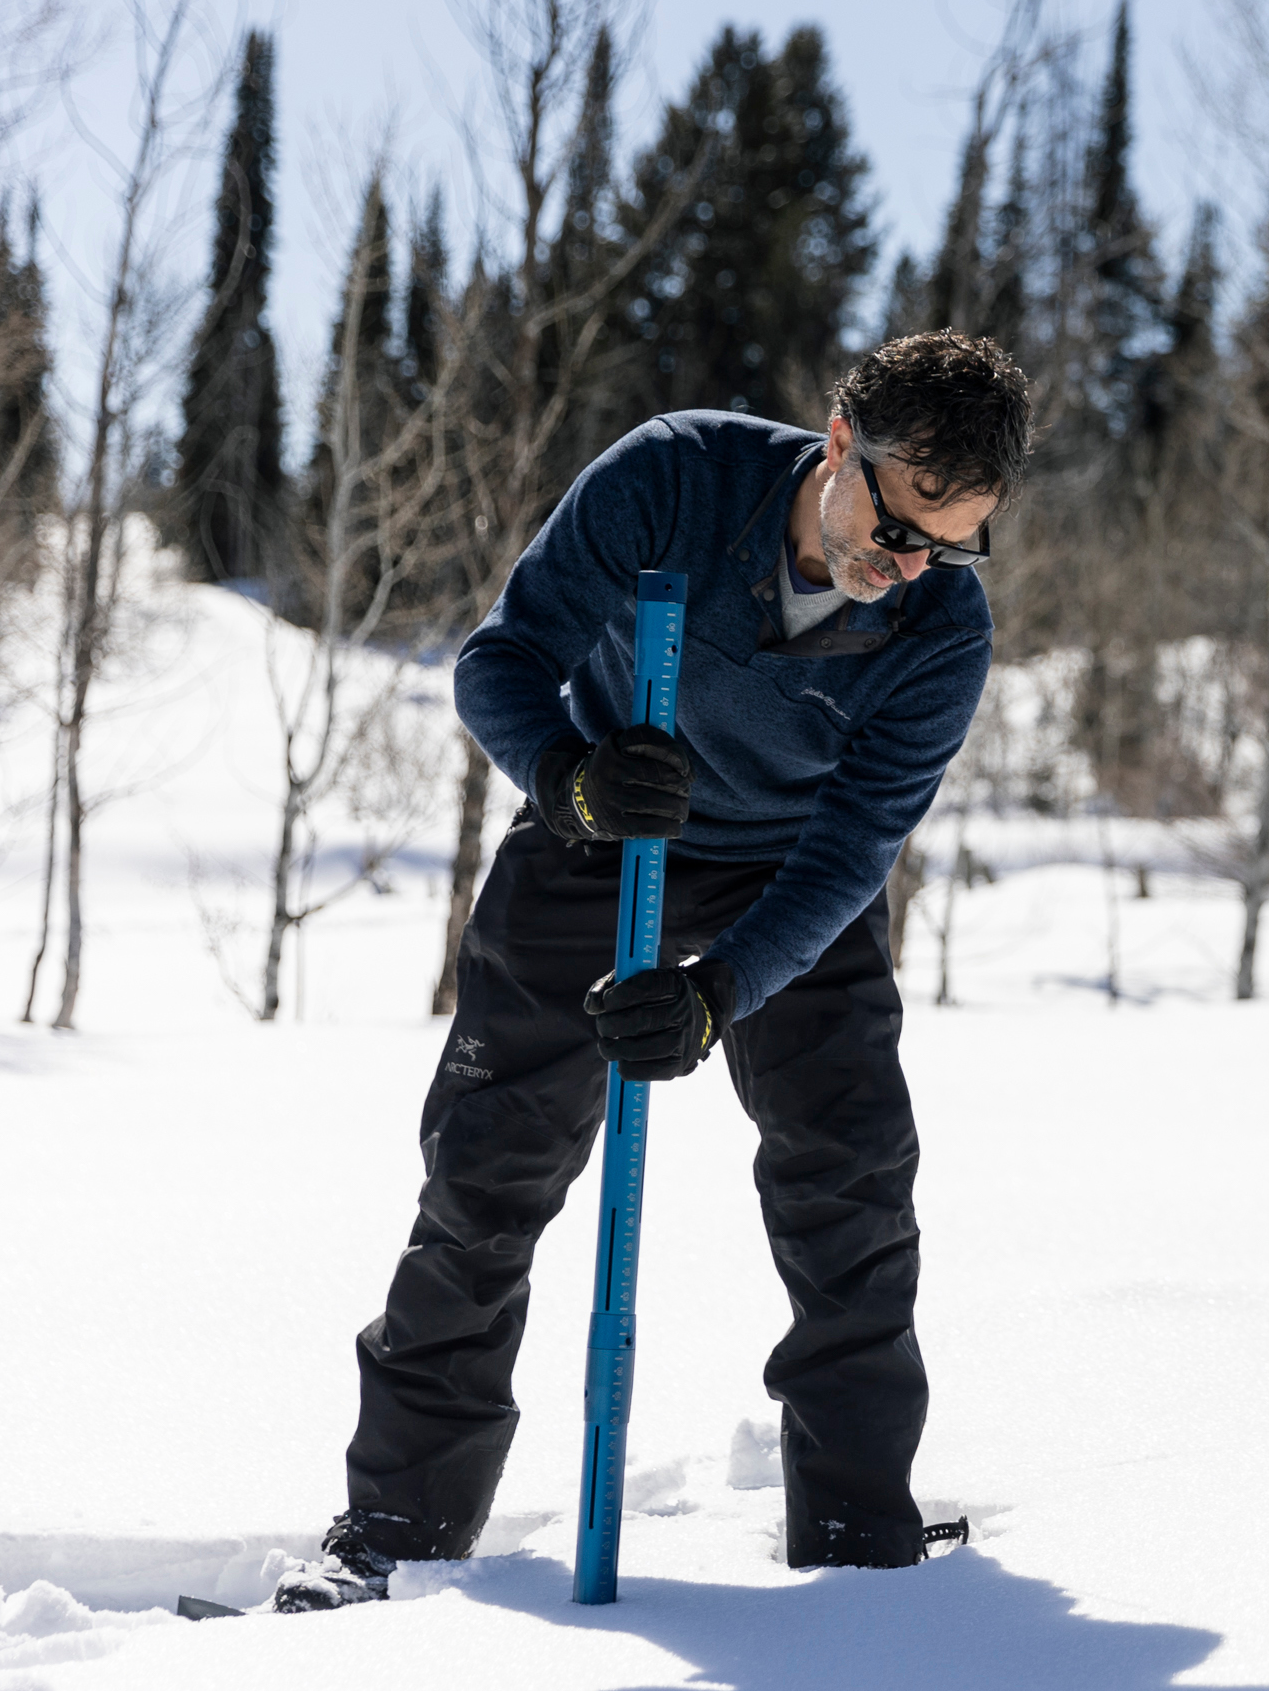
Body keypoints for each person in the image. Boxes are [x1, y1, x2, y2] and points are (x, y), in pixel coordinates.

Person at [274, 331, 1027, 1610]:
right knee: (486, 1173)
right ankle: (397, 1526)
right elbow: (495, 663)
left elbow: (857, 844)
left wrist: (720, 990)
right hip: (606, 823)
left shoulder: (941, 633)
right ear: (840, 441)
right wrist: (570, 781)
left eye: (948, 546)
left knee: (849, 1187)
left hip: (791, 879)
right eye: (897, 527)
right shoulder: (676, 478)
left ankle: (860, 1546)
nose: (904, 571)